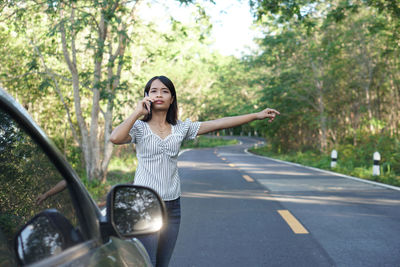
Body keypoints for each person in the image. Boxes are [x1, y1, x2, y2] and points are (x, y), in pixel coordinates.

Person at [109, 75, 280, 267]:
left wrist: (256, 115)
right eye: (154, 91)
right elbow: (115, 138)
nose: (159, 95)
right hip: (145, 204)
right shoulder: (139, 127)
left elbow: (220, 123)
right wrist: (137, 112)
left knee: (163, 263)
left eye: (165, 91)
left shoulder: (181, 128)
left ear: (172, 98)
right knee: (148, 262)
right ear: (147, 96)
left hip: (173, 206)